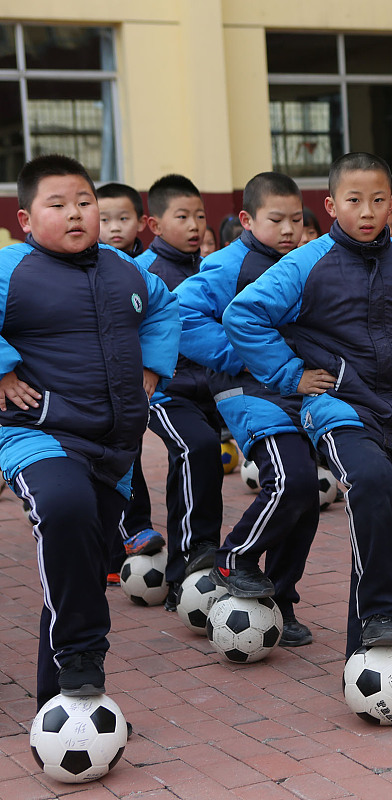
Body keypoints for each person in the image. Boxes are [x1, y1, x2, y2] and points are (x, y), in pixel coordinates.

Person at [224, 152, 392, 656]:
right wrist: (291, 375)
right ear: (332, 206)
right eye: (354, 201)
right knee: (371, 484)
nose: (367, 211)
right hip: (336, 407)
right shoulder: (306, 263)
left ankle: (369, 642)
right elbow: (243, 315)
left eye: (378, 200)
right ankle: (380, 614)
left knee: (390, 526)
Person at [0, 155, 178, 707]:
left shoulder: (126, 270)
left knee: (79, 560)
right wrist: (3, 368)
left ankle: (61, 702)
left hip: (113, 445)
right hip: (38, 432)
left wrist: (152, 365)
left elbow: (165, 309)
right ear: (27, 219)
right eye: (58, 205)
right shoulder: (13, 268)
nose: (75, 214)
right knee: (65, 510)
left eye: (85, 203)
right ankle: (82, 654)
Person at [175, 172, 319, 646]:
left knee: (305, 502)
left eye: (296, 220)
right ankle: (232, 556)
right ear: (246, 220)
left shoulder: (304, 261)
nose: (287, 229)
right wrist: (240, 353)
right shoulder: (227, 264)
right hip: (246, 392)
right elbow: (181, 314)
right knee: (291, 479)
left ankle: (279, 599)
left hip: (298, 391)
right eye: (275, 219)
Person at [138, 174, 223, 611]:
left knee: (205, 460)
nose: (195, 225)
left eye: (200, 216)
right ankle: (188, 561)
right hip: (166, 393)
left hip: (210, 388)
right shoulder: (142, 272)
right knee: (196, 448)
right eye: (182, 216)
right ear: (154, 224)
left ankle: (224, 555)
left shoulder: (208, 269)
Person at [96, 183, 164, 566]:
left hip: (133, 385)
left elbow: (162, 319)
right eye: (104, 220)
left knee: (130, 454)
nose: (114, 227)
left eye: (123, 218)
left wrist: (152, 367)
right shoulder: (84, 268)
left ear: (141, 222)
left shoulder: (147, 271)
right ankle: (108, 553)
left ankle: (137, 528)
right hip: (91, 386)